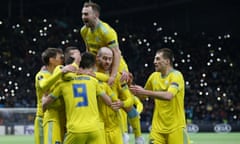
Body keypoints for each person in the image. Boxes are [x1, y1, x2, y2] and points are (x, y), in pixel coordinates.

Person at [42, 52, 119, 144]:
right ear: (94, 65)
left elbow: (46, 103)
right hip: (94, 129)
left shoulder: (62, 83)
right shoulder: (93, 81)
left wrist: (43, 98)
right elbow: (108, 101)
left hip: (76, 130)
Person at [130, 48, 190, 144]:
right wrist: (130, 85)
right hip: (157, 129)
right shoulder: (154, 76)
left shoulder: (176, 76)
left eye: (158, 59)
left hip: (176, 128)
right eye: (155, 59)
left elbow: (169, 96)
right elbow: (143, 96)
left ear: (167, 61)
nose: (154, 62)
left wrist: (145, 92)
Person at [96, 47, 145, 144]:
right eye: (105, 58)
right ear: (98, 58)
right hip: (98, 125)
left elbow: (130, 100)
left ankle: (138, 137)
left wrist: (122, 103)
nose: (108, 61)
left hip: (115, 123)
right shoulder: (93, 65)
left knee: (130, 109)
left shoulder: (119, 67)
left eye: (110, 59)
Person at [80, 1, 128, 85]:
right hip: (99, 66)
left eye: (86, 14)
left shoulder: (106, 32)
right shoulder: (84, 31)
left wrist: (113, 76)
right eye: (83, 14)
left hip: (113, 66)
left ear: (96, 15)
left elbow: (117, 53)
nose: (83, 17)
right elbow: (88, 50)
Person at [34, 47, 74, 144]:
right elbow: (43, 85)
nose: (63, 60)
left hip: (59, 117)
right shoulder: (42, 75)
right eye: (60, 57)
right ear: (52, 60)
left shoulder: (59, 75)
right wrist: (60, 72)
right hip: (43, 118)